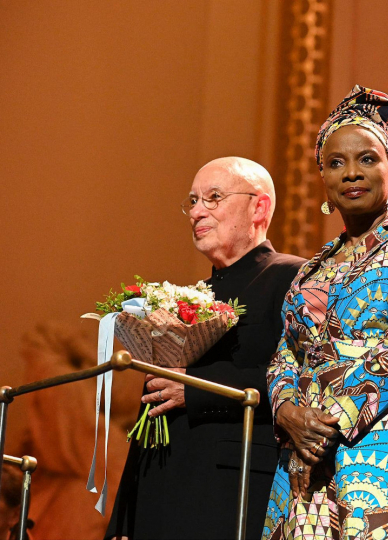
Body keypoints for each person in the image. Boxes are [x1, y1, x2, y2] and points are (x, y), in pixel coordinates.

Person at [262, 85, 388, 540]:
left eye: (367, 159)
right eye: (336, 163)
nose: (352, 173)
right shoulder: (309, 271)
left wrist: (324, 424)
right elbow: (284, 356)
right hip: (305, 460)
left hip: (385, 441)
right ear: (324, 181)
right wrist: (288, 411)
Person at [106, 157, 305, 540]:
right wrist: (124, 518)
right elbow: (154, 401)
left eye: (213, 198)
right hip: (157, 495)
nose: (197, 211)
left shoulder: (293, 277)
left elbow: (302, 381)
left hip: (229, 490)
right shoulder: (188, 297)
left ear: (259, 207)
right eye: (193, 200)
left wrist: (195, 389)